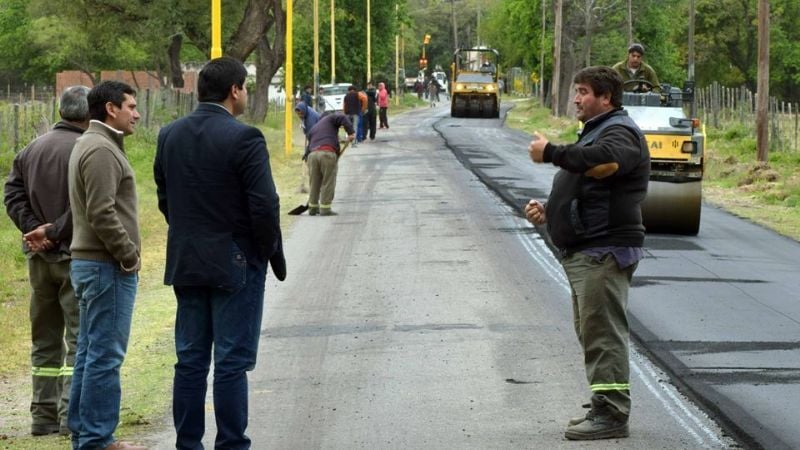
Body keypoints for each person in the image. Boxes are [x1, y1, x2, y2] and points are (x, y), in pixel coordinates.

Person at [154, 56, 286, 450]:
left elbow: (165, 197)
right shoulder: (245, 138)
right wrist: (267, 253)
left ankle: (188, 443)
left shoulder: (168, 134)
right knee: (231, 361)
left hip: (187, 257)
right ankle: (231, 444)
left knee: (191, 360)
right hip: (235, 259)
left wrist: (188, 231)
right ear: (235, 90)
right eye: (244, 88)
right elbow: (264, 204)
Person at [525, 66, 650, 441]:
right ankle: (603, 404)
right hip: (588, 249)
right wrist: (551, 211)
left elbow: (607, 160)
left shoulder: (620, 132)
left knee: (603, 333)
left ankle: (612, 413)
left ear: (606, 98)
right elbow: (592, 186)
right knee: (591, 330)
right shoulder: (598, 131)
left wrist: (551, 152)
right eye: (575, 91)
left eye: (582, 92)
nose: (576, 99)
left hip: (603, 249)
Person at [3, 85, 89, 438]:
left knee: (44, 339)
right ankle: (71, 416)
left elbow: (11, 193)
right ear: (89, 113)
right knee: (79, 337)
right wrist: (55, 231)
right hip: (75, 257)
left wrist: (33, 229)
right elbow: (87, 203)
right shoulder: (88, 149)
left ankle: (42, 416)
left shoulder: (30, 149)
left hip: (38, 261)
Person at [67, 80, 144, 450]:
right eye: (131, 106)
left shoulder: (94, 143)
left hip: (93, 265)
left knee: (89, 351)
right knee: (104, 355)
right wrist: (128, 255)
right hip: (105, 266)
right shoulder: (99, 149)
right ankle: (97, 438)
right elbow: (101, 212)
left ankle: (85, 433)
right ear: (111, 109)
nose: (137, 114)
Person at [306, 113, 356, 216]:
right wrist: (351, 132)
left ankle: (312, 207)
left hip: (312, 155)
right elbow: (343, 117)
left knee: (314, 182)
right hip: (327, 153)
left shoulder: (314, 128)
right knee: (328, 181)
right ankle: (325, 208)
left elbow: (309, 146)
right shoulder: (330, 118)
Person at [295, 101, 321, 193]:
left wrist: (307, 151)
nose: (300, 116)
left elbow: (312, 137)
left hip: (319, 138)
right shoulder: (305, 111)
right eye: (298, 114)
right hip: (314, 136)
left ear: (304, 111)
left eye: (301, 114)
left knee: (312, 160)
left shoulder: (311, 119)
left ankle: (316, 186)